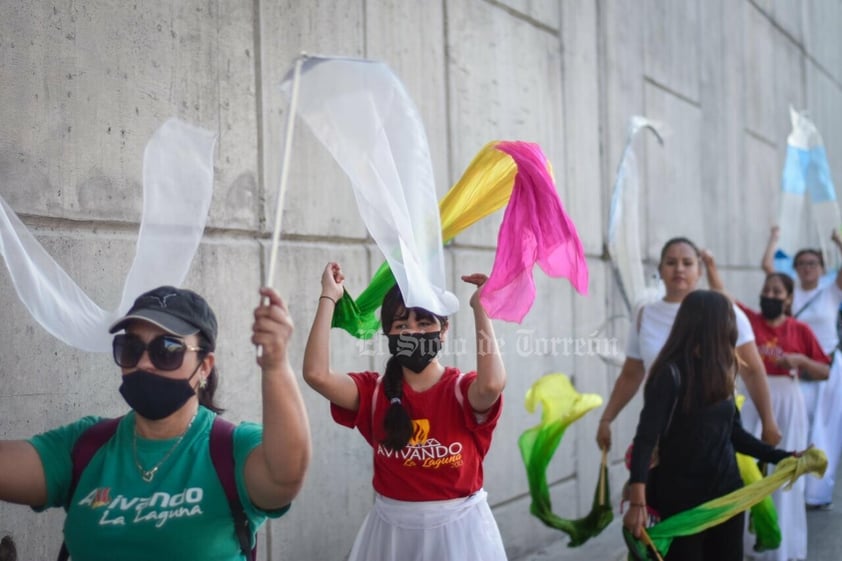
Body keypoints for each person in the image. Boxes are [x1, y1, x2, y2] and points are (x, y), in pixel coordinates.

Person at [0, 285, 311, 560]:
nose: (144, 362)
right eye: (131, 349)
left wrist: (276, 365)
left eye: (167, 350)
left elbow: (285, 476)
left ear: (204, 366)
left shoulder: (230, 450)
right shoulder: (85, 445)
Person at [302, 262, 507, 561]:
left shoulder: (462, 390)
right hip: (391, 535)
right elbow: (316, 374)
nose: (412, 332)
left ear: (444, 330)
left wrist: (481, 308)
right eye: (401, 326)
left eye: (424, 324)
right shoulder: (373, 392)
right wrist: (329, 298)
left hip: (461, 535)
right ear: (388, 334)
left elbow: (492, 385)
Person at [623, 290, 799, 561]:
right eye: (728, 319)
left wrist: (782, 457)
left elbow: (733, 433)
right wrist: (637, 502)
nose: (733, 327)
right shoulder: (670, 374)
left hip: (726, 496)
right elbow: (646, 439)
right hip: (683, 502)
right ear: (711, 324)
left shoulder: (725, 368)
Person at [596, 237, 781, 452]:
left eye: (687, 262)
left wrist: (768, 421)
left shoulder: (723, 310)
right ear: (660, 269)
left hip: (712, 434)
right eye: (671, 262)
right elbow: (632, 373)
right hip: (661, 431)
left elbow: (753, 371)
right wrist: (606, 419)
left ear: (700, 270)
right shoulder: (645, 313)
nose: (679, 269)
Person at [706, 257, 829, 561]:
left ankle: (782, 547)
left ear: (788, 299)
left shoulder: (799, 330)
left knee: (783, 466)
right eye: (767, 290)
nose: (771, 296)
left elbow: (825, 370)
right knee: (746, 466)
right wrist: (710, 264)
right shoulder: (748, 320)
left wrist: (800, 361)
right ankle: (748, 544)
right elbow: (722, 296)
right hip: (751, 399)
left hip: (788, 399)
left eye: (778, 292)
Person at [763, 225, 842, 508]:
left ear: (822, 268)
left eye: (813, 263)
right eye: (802, 263)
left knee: (825, 431)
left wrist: (837, 241)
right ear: (795, 267)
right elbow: (767, 266)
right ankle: (791, 487)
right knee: (797, 428)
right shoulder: (789, 293)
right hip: (794, 370)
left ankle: (817, 493)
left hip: (826, 370)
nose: (807, 268)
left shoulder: (831, 291)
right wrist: (774, 239)